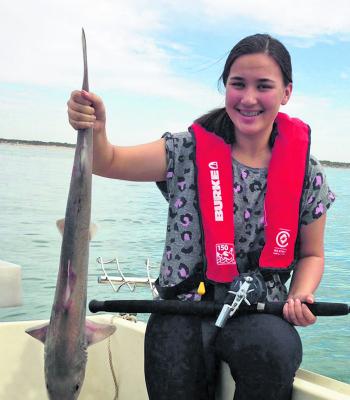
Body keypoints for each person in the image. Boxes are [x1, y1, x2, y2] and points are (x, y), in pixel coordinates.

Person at [67, 33, 335, 400]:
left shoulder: (308, 171)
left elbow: (312, 254)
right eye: (238, 84)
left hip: (260, 311)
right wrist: (95, 129)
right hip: (182, 308)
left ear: (286, 92)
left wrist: (301, 294)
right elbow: (106, 160)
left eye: (264, 86)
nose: (249, 98)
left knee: (275, 351)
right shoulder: (185, 150)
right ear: (225, 87)